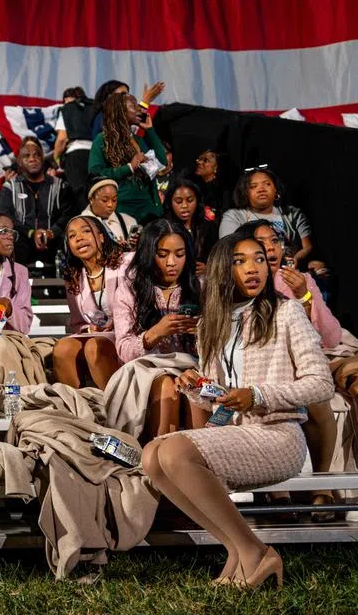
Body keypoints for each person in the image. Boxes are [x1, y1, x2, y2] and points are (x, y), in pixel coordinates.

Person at [142, 234, 333, 588]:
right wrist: (196, 387)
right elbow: (220, 397)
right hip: (236, 431)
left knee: (172, 450)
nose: (253, 268)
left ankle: (255, 552)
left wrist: (259, 395)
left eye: (259, 259)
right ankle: (237, 551)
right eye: (240, 261)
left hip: (278, 435)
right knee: (152, 457)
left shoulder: (286, 311)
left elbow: (321, 384)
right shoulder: (213, 323)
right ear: (221, 270)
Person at [237, 220, 342, 515]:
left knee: (317, 398)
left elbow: (331, 337)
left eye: (275, 241)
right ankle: (277, 491)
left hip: (300, 361)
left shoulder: (298, 280)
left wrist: (305, 297)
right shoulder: (240, 282)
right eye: (261, 243)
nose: (270, 247)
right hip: (262, 366)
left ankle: (321, 485)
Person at [111, 219, 204, 437]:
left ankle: (200, 456)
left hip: (192, 366)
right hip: (146, 369)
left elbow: (222, 347)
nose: (172, 262)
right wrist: (155, 333)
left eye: (179, 255)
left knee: (194, 383)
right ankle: (158, 455)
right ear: (148, 254)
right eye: (162, 255)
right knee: (166, 385)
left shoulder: (202, 287)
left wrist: (202, 333)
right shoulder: (129, 291)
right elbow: (124, 350)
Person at [54, 216, 131, 389]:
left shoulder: (126, 263)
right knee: (62, 348)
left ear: (101, 236)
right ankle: (77, 408)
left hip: (127, 332)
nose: (79, 238)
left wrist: (116, 323)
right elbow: (77, 324)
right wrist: (91, 329)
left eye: (86, 231)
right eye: (72, 236)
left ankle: (114, 406)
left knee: (94, 346)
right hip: (97, 334)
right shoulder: (74, 277)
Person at [218, 166, 321, 272]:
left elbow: (308, 246)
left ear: (276, 189)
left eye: (267, 184)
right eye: (253, 186)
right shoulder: (234, 216)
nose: (261, 189)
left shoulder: (292, 213)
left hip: (290, 271)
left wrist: (296, 260)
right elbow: (228, 250)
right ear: (245, 192)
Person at [0, 136, 75, 274]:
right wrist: (31, 233)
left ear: (43, 158)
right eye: (26, 156)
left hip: (53, 241)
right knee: (10, 240)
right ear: (19, 162)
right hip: (21, 242)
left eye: (36, 155)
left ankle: (64, 289)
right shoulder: (9, 187)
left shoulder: (61, 186)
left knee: (66, 240)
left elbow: (68, 214)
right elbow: (6, 217)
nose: (32, 159)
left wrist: (51, 233)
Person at [89, 92, 166, 222]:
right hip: (121, 206)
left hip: (147, 207)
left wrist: (150, 130)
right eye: (134, 106)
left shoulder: (138, 140)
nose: (139, 110)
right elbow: (95, 173)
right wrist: (129, 167)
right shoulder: (102, 140)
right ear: (120, 111)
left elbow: (161, 161)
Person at [162, 176, 216, 276]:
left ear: (197, 201)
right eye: (178, 201)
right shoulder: (162, 229)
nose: (184, 206)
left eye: (190, 200)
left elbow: (217, 259)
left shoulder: (208, 227)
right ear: (170, 202)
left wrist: (208, 268)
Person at [52, 86, 97, 200]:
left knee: (78, 194)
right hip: (96, 154)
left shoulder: (68, 109)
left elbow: (62, 139)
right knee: (95, 191)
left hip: (76, 156)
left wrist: (56, 158)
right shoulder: (96, 108)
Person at [81, 178, 138, 246]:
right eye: (104, 200)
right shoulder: (80, 225)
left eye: (114, 200)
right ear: (91, 199)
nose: (110, 204)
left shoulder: (128, 221)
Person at [191, 149, 228, 218]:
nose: (199, 162)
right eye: (199, 159)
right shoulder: (192, 185)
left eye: (205, 160)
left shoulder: (221, 192)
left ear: (216, 167)